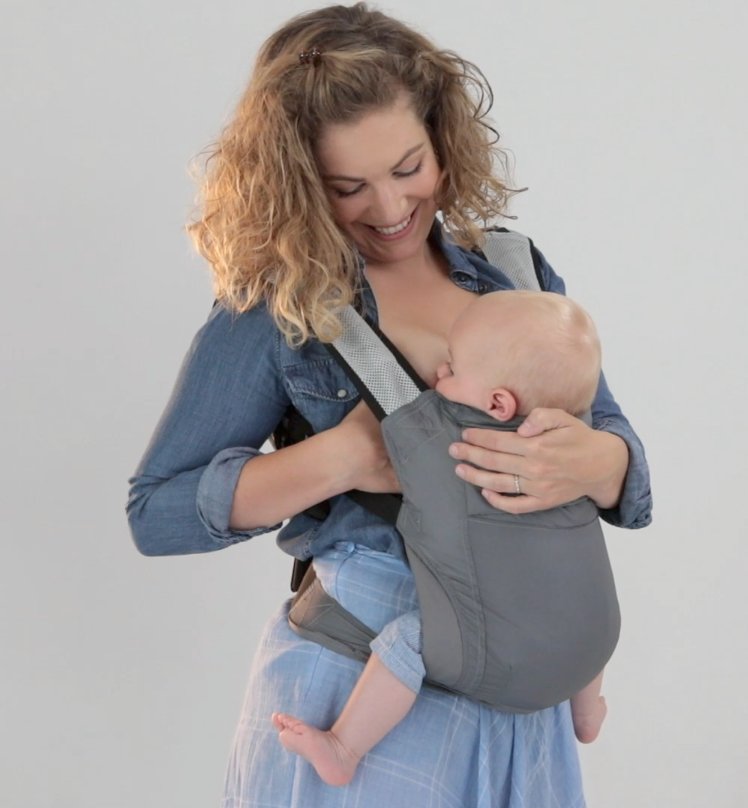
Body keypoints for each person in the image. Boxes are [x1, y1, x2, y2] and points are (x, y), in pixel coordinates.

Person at [126, 4, 651, 806]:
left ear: (441, 137)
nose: (389, 206)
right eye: (348, 187)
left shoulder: (512, 270)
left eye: (409, 167)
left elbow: (608, 431)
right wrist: (342, 456)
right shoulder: (278, 311)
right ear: (301, 181)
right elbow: (154, 512)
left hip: (522, 704)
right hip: (356, 691)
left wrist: (602, 461)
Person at [271, 289, 610, 787]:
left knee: (407, 639)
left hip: (504, 657)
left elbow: (384, 402)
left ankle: (343, 747)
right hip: (590, 647)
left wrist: (330, 307)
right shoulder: (573, 447)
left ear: (497, 403)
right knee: (580, 610)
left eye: (451, 367)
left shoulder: (453, 446)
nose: (438, 375)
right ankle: (588, 714)